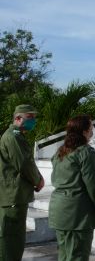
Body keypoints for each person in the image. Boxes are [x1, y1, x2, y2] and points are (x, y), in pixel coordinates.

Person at [49, 115, 95, 261]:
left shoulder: (60, 152)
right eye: (90, 127)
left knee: (64, 255)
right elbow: (94, 185)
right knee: (77, 256)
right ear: (84, 132)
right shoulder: (86, 153)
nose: (92, 130)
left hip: (59, 212)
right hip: (77, 214)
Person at [0, 104, 44, 261]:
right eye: (30, 117)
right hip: (14, 197)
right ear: (18, 118)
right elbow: (24, 163)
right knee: (11, 242)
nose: (33, 121)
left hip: (15, 196)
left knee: (15, 241)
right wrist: (38, 180)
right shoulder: (13, 137)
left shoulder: (16, 136)